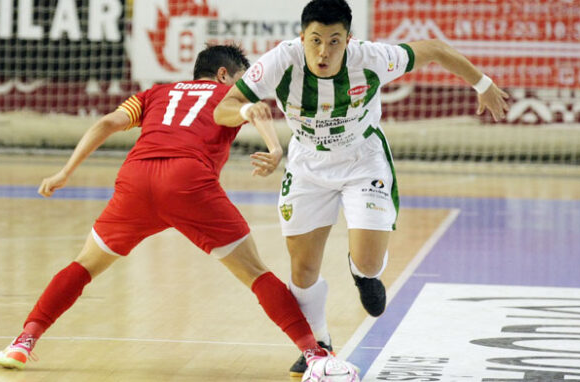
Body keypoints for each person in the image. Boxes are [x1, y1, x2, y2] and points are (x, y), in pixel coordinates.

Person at [0, 44, 333, 372]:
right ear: (224, 75)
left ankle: (23, 342)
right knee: (256, 273)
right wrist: (275, 150)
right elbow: (256, 110)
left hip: (136, 179)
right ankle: (314, 354)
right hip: (188, 182)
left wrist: (65, 171)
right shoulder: (227, 94)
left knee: (84, 265)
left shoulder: (155, 93)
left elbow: (106, 123)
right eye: (241, 78)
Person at [214, 0, 510, 376]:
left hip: (362, 160)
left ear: (348, 39)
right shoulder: (280, 61)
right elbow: (224, 106)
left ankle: (363, 274)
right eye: (316, 40)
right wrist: (244, 111)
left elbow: (435, 49)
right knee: (302, 267)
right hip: (308, 163)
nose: (324, 51)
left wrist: (481, 84)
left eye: (334, 41)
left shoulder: (371, 58)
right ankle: (319, 344)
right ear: (302, 37)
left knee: (370, 261)